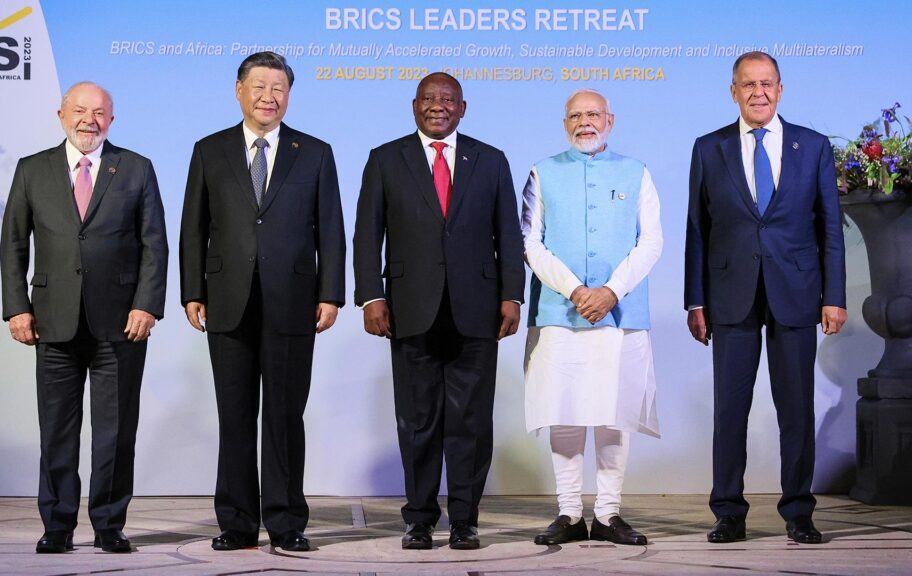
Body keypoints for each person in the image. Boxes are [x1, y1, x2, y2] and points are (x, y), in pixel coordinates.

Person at [179, 51, 345, 553]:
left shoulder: (314, 151)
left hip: (293, 301)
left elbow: (331, 231)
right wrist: (191, 291)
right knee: (234, 416)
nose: (269, 96)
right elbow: (193, 227)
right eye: (259, 86)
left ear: (289, 95)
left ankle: (286, 520)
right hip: (227, 300)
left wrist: (331, 293)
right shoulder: (209, 150)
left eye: (278, 88)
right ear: (239, 90)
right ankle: (236, 522)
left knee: (284, 416)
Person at [353, 72, 524, 550]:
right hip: (409, 311)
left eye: (447, 99)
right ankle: (419, 518)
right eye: (428, 99)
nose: (438, 106)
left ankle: (466, 519)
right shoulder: (386, 159)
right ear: (414, 106)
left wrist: (512, 295)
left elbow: (509, 234)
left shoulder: (490, 160)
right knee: (417, 419)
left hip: (478, 311)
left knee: (471, 421)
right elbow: (367, 235)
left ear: (463, 108)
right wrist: (371, 296)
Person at [685, 51, 846, 545]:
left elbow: (829, 229)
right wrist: (695, 300)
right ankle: (728, 512)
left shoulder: (812, 146)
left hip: (796, 293)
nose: (759, 92)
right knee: (729, 410)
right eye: (748, 84)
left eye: (767, 83)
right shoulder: (708, 147)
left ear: (780, 89)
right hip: (729, 295)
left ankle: (799, 510)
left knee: (796, 408)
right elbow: (698, 229)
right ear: (732, 91)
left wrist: (833, 296)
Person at [0, 81, 169, 554]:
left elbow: (154, 243)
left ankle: (110, 526)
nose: (88, 120)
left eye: (99, 112)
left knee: (116, 434)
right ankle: (56, 526)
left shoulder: (135, 168)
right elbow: (13, 244)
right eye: (79, 110)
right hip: (52, 322)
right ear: (61, 115)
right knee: (56, 431)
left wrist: (146, 304)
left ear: (111, 120)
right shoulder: (32, 170)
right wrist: (17, 306)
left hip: (121, 324)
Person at [522, 89, 662, 547]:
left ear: (611, 120)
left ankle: (607, 514)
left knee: (613, 415)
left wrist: (610, 291)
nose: (586, 122)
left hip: (620, 315)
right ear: (565, 123)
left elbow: (651, 242)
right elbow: (530, 243)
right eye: (576, 116)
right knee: (562, 411)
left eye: (594, 115)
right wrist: (577, 290)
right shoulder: (543, 172)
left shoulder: (636, 172)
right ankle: (567, 512)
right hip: (559, 313)